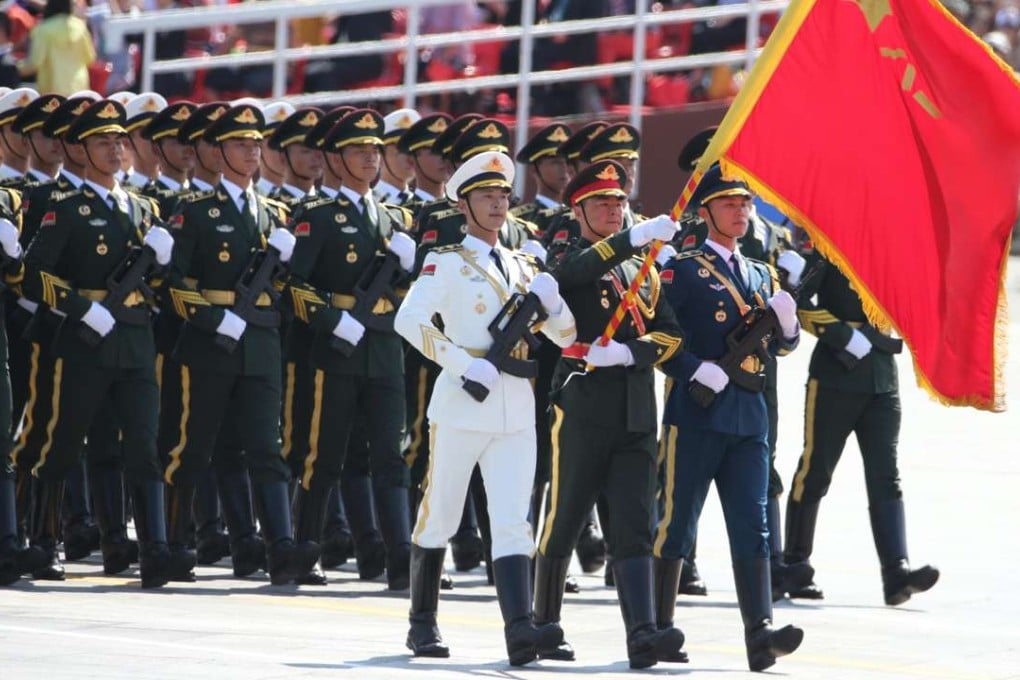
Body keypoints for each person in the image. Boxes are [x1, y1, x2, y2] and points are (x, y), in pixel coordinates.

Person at [395, 150, 576, 664]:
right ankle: (421, 623)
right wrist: (457, 363)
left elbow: (564, 335)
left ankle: (520, 629)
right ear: (464, 205)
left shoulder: (525, 265)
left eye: (502, 196)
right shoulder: (446, 261)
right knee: (442, 513)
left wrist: (555, 303)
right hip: (461, 403)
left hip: (516, 405)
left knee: (514, 518)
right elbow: (410, 321)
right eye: (486, 197)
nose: (498, 205)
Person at [534, 159, 686, 669]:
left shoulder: (640, 271)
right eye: (602, 203)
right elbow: (573, 275)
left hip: (636, 410)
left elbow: (669, 332)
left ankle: (642, 631)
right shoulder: (574, 256)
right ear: (578, 211)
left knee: (633, 525)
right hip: (584, 406)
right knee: (566, 517)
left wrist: (629, 353)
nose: (614, 211)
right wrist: (632, 240)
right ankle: (543, 624)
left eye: (620, 202)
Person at [159, 102, 318, 585]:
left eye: (256, 144)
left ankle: (279, 546)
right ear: (217, 150)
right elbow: (173, 282)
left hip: (261, 343)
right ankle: (174, 542)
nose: (251, 152)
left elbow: (291, 287)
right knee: (194, 446)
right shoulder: (196, 211)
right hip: (210, 344)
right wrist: (211, 319)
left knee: (265, 446)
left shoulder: (276, 214)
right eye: (240, 144)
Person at [21, 98, 177, 588]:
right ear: (82, 150)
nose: (114, 149)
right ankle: (44, 542)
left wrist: (163, 264)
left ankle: (153, 546)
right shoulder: (66, 208)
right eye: (102, 141)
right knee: (64, 442)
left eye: (119, 140)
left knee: (144, 446)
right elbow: (31, 277)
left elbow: (160, 286)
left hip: (133, 337)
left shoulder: (143, 208)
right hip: (83, 340)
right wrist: (81, 307)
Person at [654, 165, 804, 672]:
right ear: (705, 212)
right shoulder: (685, 269)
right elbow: (658, 334)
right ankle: (657, 627)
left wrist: (787, 325)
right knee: (677, 524)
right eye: (729, 204)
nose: (740, 211)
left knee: (753, 524)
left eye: (744, 204)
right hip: (697, 414)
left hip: (749, 416)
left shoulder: (762, 273)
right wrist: (694, 369)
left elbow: (781, 346)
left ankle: (759, 633)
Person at [281, 108, 415, 589]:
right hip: (335, 347)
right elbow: (292, 286)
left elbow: (412, 294)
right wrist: (332, 319)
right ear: (335, 158)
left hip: (383, 346)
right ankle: (308, 546)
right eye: (359, 150)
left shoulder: (395, 219)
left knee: (389, 453)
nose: (370, 159)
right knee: (325, 452)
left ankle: (399, 553)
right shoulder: (317, 215)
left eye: (375, 150)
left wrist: (407, 274)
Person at [783, 244, 940, 606]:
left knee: (886, 475)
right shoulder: (831, 247)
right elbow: (800, 304)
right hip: (837, 375)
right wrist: (841, 335)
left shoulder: (898, 255)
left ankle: (896, 572)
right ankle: (794, 564)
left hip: (882, 378)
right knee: (816, 469)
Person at [18, 0, 96, 95]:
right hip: (79, 88)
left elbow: (34, 63)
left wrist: (14, 68)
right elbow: (90, 58)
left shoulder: (43, 30)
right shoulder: (80, 27)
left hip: (52, 91)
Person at [374, 108, 419, 205]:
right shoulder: (369, 203)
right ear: (380, 154)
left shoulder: (422, 204)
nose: (410, 155)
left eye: (413, 148)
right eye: (402, 148)